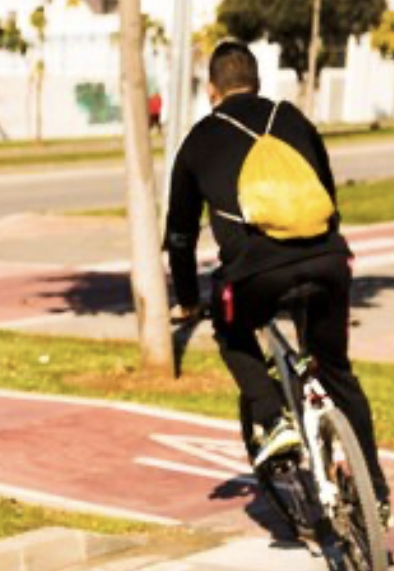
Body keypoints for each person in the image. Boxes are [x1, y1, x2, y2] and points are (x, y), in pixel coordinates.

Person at [165, 40, 388, 512]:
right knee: (337, 374)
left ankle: (273, 417)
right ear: (258, 83)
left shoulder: (198, 140)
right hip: (327, 260)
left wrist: (187, 301)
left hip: (255, 275)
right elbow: (326, 194)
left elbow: (180, 237)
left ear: (212, 90)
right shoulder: (292, 118)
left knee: (229, 328)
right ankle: (380, 497)